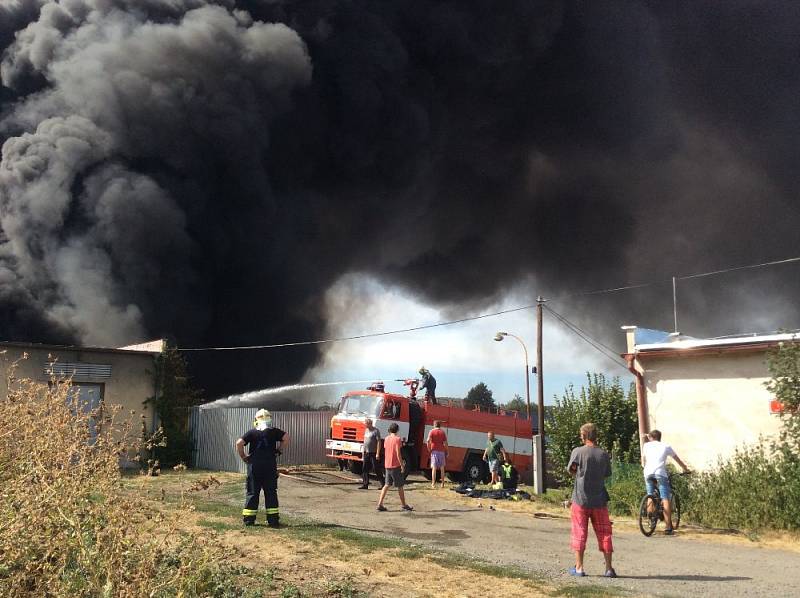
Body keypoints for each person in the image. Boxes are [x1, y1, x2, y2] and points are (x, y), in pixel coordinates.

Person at [567, 423, 614, 578]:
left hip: (580, 499)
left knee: (579, 532)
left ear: (584, 435)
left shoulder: (578, 452)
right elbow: (607, 473)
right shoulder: (603, 454)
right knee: (604, 533)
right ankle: (608, 569)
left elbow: (571, 470)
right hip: (599, 500)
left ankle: (579, 568)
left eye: (581, 434)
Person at [235, 409, 289, 528]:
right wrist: (279, 451)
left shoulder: (252, 433)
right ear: (269, 419)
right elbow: (286, 437)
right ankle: (273, 521)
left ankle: (249, 520)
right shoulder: (275, 432)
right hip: (269, 466)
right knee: (271, 493)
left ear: (256, 420)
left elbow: (239, 443)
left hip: (254, 467)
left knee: (253, 492)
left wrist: (244, 457)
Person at [642, 429, 690, 535]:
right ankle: (668, 527)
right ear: (659, 437)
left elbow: (644, 460)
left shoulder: (646, 446)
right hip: (660, 473)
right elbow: (677, 459)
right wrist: (685, 469)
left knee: (650, 495)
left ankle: (651, 520)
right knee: (665, 498)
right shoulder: (666, 446)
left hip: (647, 473)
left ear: (651, 437)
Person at [377, 423, 413, 512]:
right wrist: (402, 465)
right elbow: (398, 453)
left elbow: (386, 449)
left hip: (387, 464)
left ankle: (380, 503)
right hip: (395, 465)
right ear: (397, 430)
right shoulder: (397, 439)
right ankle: (404, 505)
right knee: (400, 486)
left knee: (387, 484)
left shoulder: (386, 439)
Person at [359, 418, 381, 490]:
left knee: (376, 468)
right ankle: (365, 484)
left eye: (366, 423)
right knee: (365, 468)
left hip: (373, 452)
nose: (365, 425)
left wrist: (377, 453)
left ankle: (383, 483)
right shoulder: (366, 430)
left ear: (369, 424)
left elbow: (379, 442)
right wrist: (363, 451)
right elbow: (365, 441)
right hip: (366, 452)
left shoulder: (376, 431)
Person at [426, 420, 448, 489]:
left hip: (434, 451)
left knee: (434, 468)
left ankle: (433, 484)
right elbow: (445, 443)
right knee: (442, 468)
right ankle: (442, 484)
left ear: (434, 425)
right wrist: (447, 451)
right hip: (441, 451)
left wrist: (429, 448)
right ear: (440, 425)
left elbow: (428, 441)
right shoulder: (442, 432)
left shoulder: (431, 431)